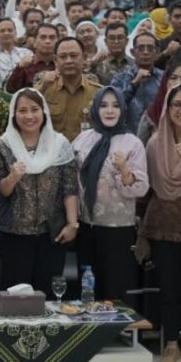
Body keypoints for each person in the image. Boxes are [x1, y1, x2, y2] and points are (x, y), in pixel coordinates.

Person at [0, 89, 80, 294]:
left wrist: (72, 224)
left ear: (44, 112)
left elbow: (70, 187)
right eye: (22, 110)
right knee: (16, 296)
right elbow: (0, 191)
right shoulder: (3, 146)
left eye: (34, 109)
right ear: (14, 114)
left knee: (48, 295)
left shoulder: (60, 144)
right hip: (14, 234)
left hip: (52, 233)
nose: (29, 116)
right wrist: (12, 178)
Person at [141, 83, 181, 362]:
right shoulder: (155, 144)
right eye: (177, 104)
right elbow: (149, 190)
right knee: (169, 288)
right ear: (167, 108)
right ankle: (172, 345)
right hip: (164, 224)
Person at [73, 88, 148, 302]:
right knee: (88, 290)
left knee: (116, 289)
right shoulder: (83, 139)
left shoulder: (132, 142)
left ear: (123, 109)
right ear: (95, 109)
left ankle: (119, 325)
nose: (109, 111)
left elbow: (141, 188)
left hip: (119, 229)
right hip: (87, 226)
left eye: (115, 106)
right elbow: (71, 179)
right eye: (103, 105)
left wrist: (124, 170)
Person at [38, 37, 103, 141]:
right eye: (63, 57)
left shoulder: (98, 92)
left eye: (74, 56)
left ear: (84, 57)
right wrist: (42, 89)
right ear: (55, 60)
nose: (68, 61)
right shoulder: (44, 89)